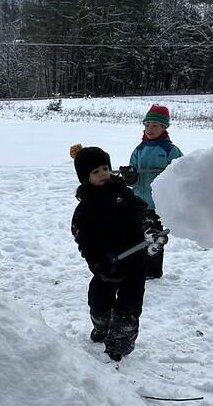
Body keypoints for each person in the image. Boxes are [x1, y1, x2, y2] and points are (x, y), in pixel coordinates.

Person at [70, 144, 166, 361]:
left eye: (105, 168)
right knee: (98, 302)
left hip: (134, 263)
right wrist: (97, 263)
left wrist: (149, 226)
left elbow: (140, 211)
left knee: (129, 307)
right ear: (85, 177)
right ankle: (102, 325)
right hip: (107, 265)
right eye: (96, 172)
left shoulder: (124, 195)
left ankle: (119, 343)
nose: (103, 174)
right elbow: (83, 240)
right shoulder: (84, 209)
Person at [125, 104, 183, 279]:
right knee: (138, 236)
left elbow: (182, 174)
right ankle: (138, 267)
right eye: (147, 125)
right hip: (139, 201)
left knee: (156, 237)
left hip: (159, 203)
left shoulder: (170, 150)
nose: (150, 129)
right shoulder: (139, 150)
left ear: (164, 127)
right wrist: (130, 177)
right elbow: (132, 179)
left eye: (155, 126)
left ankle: (153, 271)